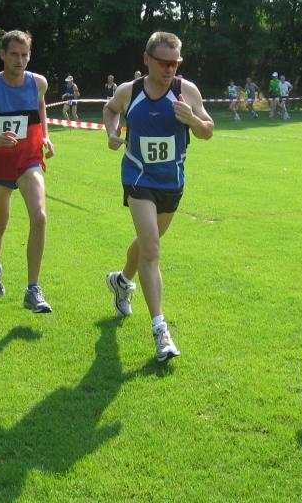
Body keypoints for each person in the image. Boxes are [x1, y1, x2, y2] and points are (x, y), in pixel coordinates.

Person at [103, 31, 214, 362]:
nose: (170, 68)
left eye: (175, 63)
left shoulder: (186, 90)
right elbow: (110, 109)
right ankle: (160, 331)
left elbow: (208, 131)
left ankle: (122, 280)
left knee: (146, 242)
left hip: (171, 181)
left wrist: (191, 118)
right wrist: (112, 132)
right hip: (138, 176)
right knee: (151, 248)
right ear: (147, 59)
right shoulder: (130, 91)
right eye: (164, 62)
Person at [0, 30, 55, 312]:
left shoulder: (38, 83)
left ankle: (33, 289)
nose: (20, 60)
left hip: (29, 160)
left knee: (39, 217)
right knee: (0, 225)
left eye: (24, 54)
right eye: (14, 54)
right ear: (2, 55)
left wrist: (46, 135)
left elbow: (40, 107)